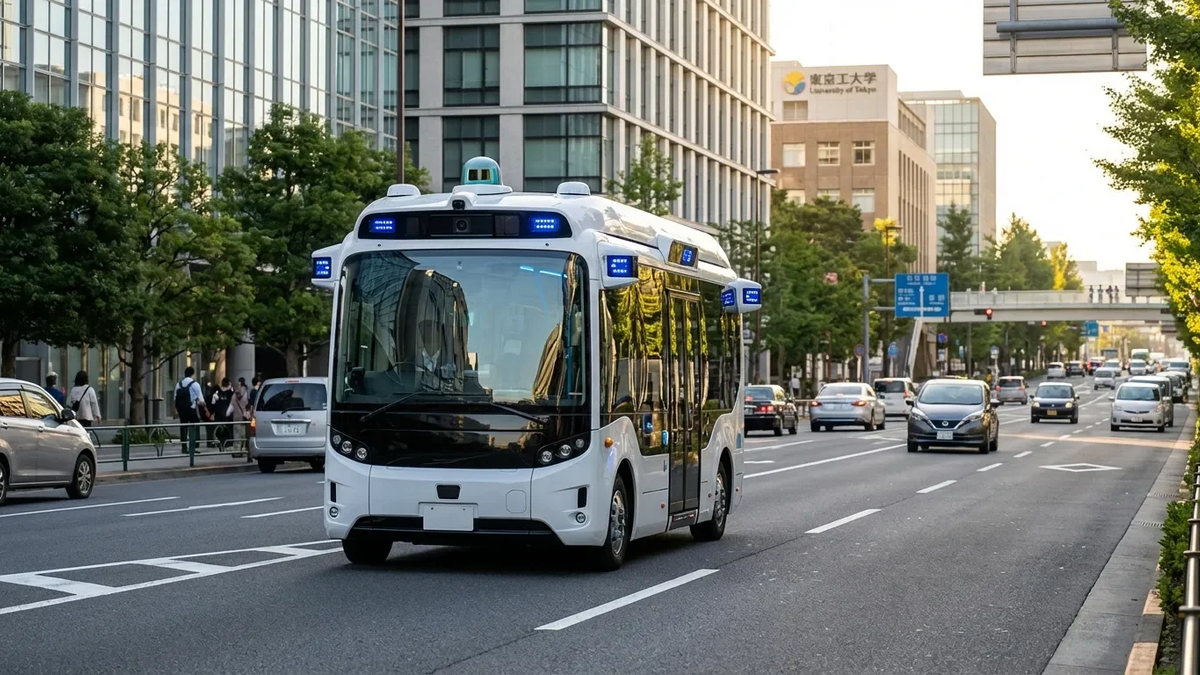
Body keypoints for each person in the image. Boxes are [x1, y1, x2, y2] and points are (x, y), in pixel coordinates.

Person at [173, 367, 205, 453]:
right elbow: (201, 401)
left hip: (181, 409)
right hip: (191, 408)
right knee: (194, 425)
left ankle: (184, 447)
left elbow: (175, 398)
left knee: (183, 427)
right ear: (192, 374)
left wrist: (175, 410)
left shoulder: (178, 384)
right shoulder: (195, 384)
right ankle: (193, 446)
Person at [211, 378, 235, 448]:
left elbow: (213, 403)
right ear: (228, 384)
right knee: (229, 429)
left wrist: (213, 412)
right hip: (228, 415)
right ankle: (228, 442)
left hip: (219, 415)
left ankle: (218, 442)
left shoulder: (217, 393)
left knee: (218, 429)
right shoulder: (231, 394)